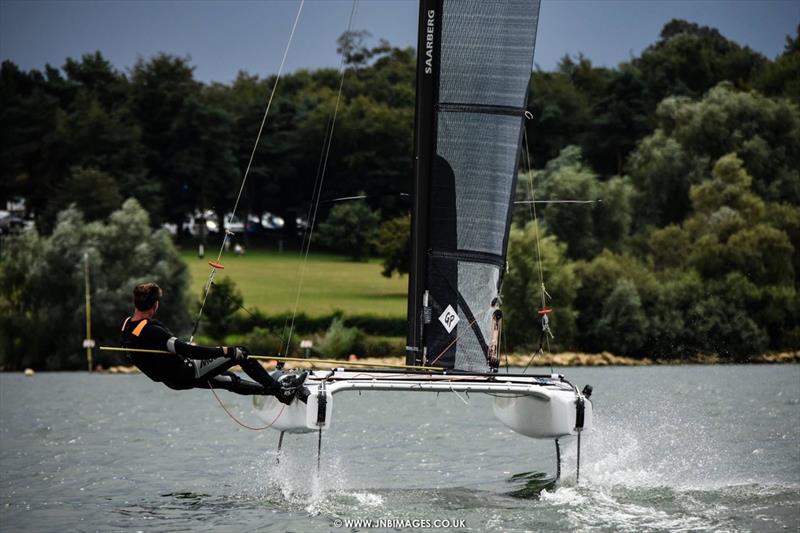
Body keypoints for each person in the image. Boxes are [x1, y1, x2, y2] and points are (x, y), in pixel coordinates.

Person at [121, 282, 307, 404]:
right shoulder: (152, 331)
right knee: (239, 353)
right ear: (155, 305)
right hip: (188, 371)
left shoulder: (127, 326)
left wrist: (176, 353)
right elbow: (187, 351)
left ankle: (280, 393)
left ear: (136, 303)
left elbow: (141, 356)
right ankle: (281, 391)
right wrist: (223, 351)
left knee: (229, 380)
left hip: (173, 380)